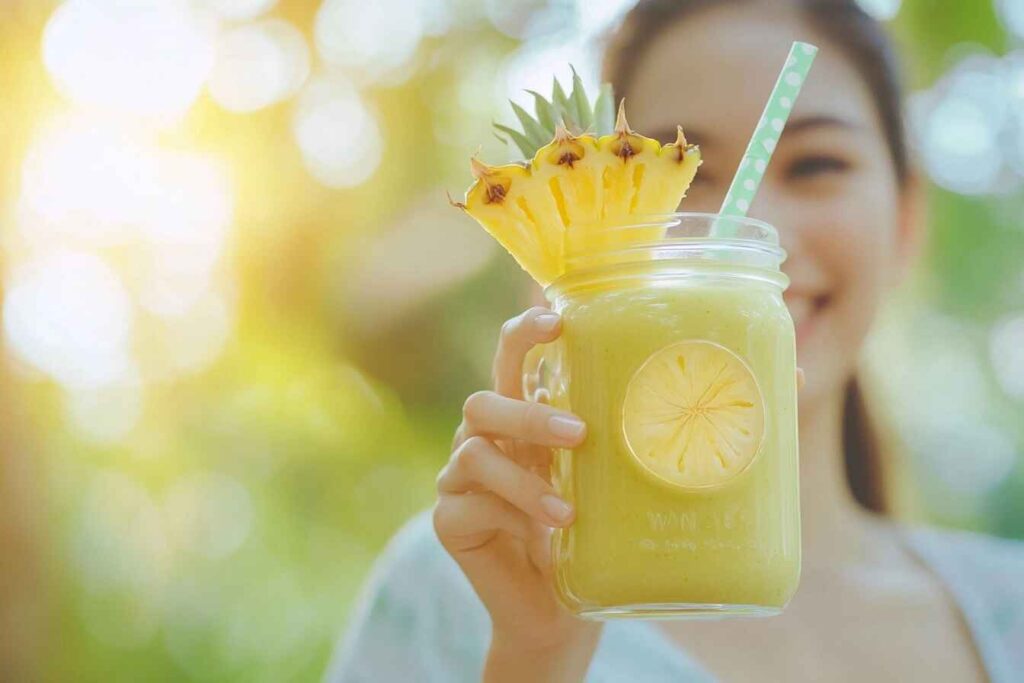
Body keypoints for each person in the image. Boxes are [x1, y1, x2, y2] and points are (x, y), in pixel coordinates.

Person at [326, 0, 1024, 680]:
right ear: (592, 216)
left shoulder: (1009, 610)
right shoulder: (461, 585)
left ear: (905, 221)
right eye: (684, 173)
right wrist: (536, 656)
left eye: (817, 165)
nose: (758, 223)